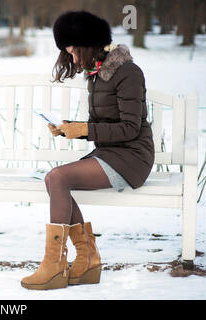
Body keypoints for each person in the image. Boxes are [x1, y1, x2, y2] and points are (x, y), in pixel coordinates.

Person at [20, 10, 155, 290]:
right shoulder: (96, 75)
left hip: (132, 157)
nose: (71, 59)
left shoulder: (128, 73)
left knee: (57, 178)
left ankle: (56, 266)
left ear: (86, 44)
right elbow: (102, 125)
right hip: (111, 153)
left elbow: (129, 128)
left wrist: (83, 129)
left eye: (71, 52)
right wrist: (68, 127)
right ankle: (87, 259)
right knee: (53, 179)